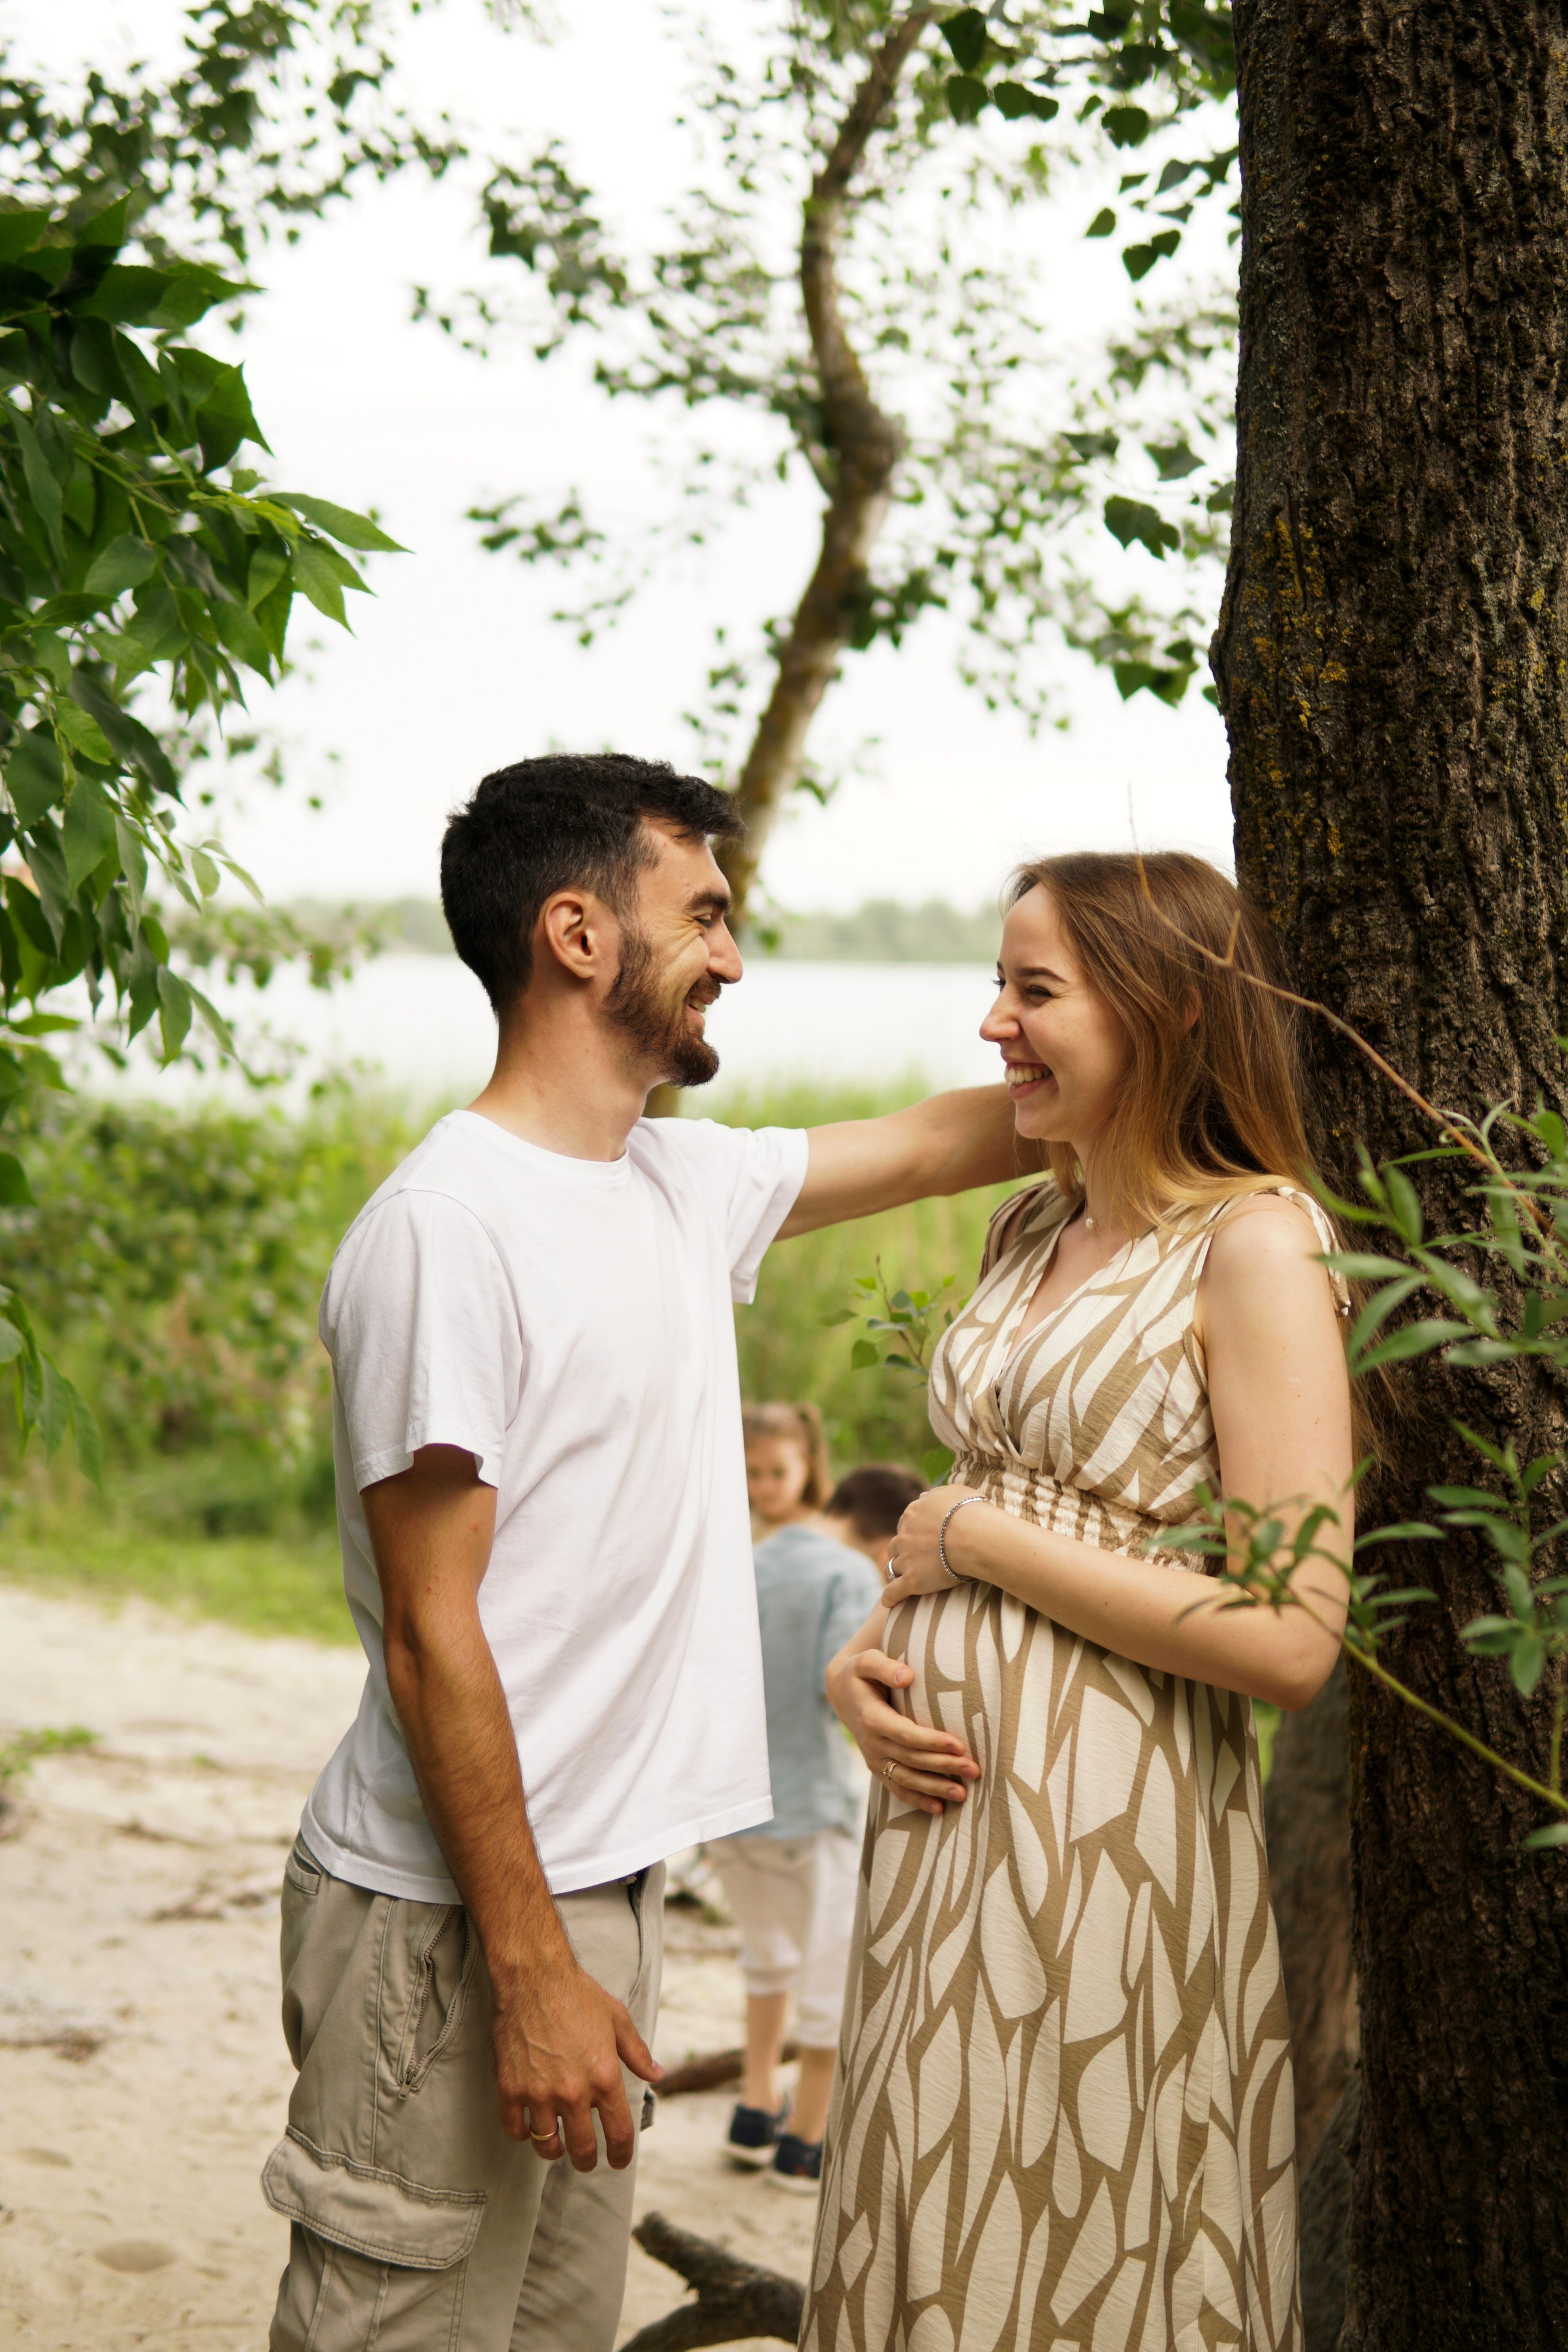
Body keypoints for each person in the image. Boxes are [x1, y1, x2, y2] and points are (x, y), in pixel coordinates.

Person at [260, 752, 1037, 2352]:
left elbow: (945, 1142)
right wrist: (534, 1970)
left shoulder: (677, 1186)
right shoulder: (446, 1229)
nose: (735, 957)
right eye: (705, 913)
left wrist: (1144, 1030)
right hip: (453, 1920)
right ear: (576, 933)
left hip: (598, 1898)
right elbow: (429, 1634)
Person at [802, 851, 1354, 2352]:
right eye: (996, 982)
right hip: (937, 1837)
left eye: (1032, 988)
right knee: (933, 2208)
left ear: (1166, 1006)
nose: (992, 1023)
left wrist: (973, 1537)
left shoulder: (1254, 1242)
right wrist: (863, 1657)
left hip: (1110, 1842)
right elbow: (950, 1522)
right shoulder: (1027, 1230)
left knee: (1078, 2224)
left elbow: (1290, 1636)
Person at [711, 1457, 924, 2188]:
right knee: (831, 1972)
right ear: (886, 1538)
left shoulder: (745, 1557)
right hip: (812, 1808)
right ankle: (804, 2143)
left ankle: (752, 2106)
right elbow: (838, 1679)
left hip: (730, 1805)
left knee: (766, 1955)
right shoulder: (847, 1575)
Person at [744, 1399, 832, 1535]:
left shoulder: (826, 1532)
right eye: (754, 1473)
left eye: (779, 1473)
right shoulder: (735, 1530)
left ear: (808, 1467)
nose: (766, 1488)